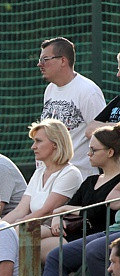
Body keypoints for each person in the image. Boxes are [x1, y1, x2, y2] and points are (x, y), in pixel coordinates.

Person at [39, 124, 120, 276]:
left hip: (97, 234)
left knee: (93, 251)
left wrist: (69, 210)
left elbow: (104, 208)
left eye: (93, 150)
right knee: (54, 255)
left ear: (110, 152)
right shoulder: (90, 181)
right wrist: (62, 214)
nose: (88, 154)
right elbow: (63, 209)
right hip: (76, 233)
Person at [38, 36, 105, 178]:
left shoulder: (88, 91)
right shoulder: (50, 89)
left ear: (63, 60)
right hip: (49, 177)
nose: (40, 64)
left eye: (45, 59)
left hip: (79, 179)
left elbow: (102, 137)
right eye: (40, 60)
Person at [3, 119, 82, 225]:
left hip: (56, 234)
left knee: (17, 233)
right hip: (34, 230)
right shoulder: (39, 172)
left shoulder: (70, 173)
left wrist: (20, 224)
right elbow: (20, 211)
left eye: (38, 141)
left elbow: (46, 212)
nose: (33, 147)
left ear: (55, 143)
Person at [86, 50, 120, 136]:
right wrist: (116, 126)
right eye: (118, 69)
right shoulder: (118, 99)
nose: (118, 74)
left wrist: (104, 126)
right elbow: (90, 130)